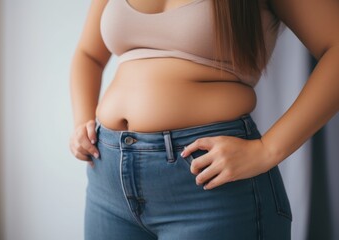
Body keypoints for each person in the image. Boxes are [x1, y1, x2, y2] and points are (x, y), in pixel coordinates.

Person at [69, 0, 339, 239]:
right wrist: (82, 121)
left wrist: (267, 150)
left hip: (208, 183)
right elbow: (88, 54)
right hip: (108, 178)